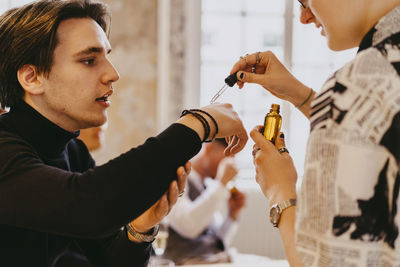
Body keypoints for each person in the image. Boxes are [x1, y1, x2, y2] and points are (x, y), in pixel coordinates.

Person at [0, 1, 248, 266]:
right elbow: (87, 205)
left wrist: (141, 228)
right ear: (32, 78)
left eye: (107, 57)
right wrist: (198, 123)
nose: (113, 73)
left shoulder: (73, 152)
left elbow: (109, 260)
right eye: (89, 60)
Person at [230, 0, 400, 266]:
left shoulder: (353, 87)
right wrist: (304, 97)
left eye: (305, 1)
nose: (304, 17)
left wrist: (279, 192)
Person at [164, 138, 246, 265]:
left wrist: (232, 215)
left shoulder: (207, 187)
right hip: (183, 261)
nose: (232, 163)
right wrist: (221, 183)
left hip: (211, 260)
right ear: (208, 148)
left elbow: (216, 241)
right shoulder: (177, 178)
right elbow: (189, 227)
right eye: (228, 157)